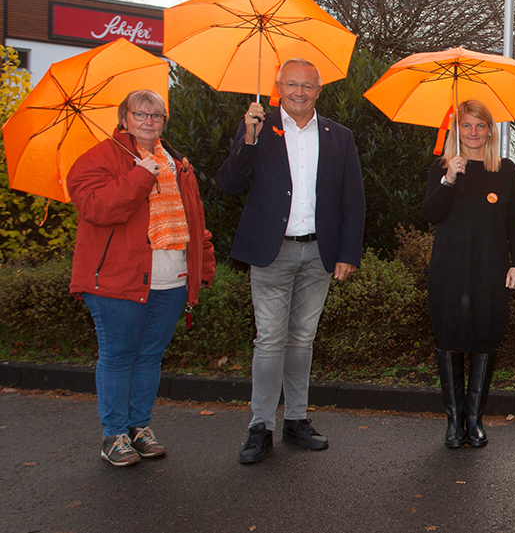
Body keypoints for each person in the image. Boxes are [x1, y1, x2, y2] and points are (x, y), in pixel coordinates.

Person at [218, 58, 366, 464]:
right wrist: (247, 140)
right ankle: (260, 426)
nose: (299, 92)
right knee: (269, 340)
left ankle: (296, 420)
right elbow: (228, 183)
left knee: (302, 340)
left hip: (319, 252)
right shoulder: (258, 128)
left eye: (308, 86)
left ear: (319, 91)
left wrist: (348, 252)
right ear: (278, 87)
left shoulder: (339, 136)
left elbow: (354, 200)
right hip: (272, 252)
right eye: (292, 85)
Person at [67, 89, 216, 467]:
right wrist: (139, 175)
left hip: (170, 280)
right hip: (117, 282)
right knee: (118, 358)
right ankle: (114, 435)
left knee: (150, 358)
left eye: (156, 115)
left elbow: (194, 219)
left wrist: (202, 268)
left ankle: (139, 428)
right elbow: (96, 208)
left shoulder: (176, 161)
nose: (149, 121)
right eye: (140, 114)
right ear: (124, 118)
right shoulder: (99, 158)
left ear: (164, 121)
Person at [422, 100, 515, 448]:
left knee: (485, 338)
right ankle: (454, 423)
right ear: (457, 130)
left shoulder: (507, 171)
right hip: (449, 269)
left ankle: (475, 419)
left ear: (490, 131)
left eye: (481, 126)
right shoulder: (442, 168)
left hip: (491, 268)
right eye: (466, 126)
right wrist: (450, 178)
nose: (474, 133)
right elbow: (431, 214)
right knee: (450, 338)